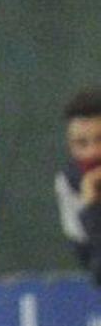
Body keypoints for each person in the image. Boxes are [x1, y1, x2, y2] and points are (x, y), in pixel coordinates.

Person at [56, 88, 101, 281]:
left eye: (100, 140)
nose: (93, 152)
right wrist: (90, 206)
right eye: (81, 143)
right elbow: (95, 266)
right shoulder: (69, 182)